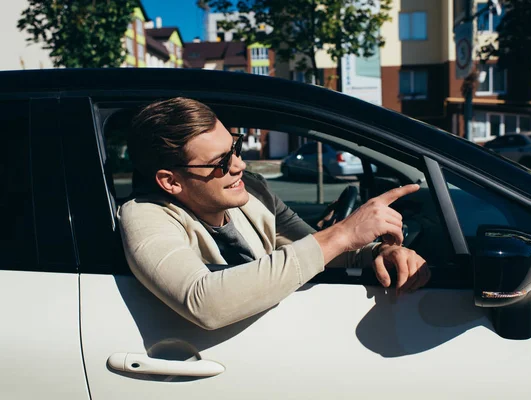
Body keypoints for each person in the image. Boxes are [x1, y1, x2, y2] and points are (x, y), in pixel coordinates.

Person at [118, 97, 430, 331]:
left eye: (236, 148)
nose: (239, 165)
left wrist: (380, 252)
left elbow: (315, 249)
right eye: (220, 162)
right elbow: (204, 302)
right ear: (170, 181)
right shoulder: (145, 215)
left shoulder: (254, 192)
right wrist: (344, 232)